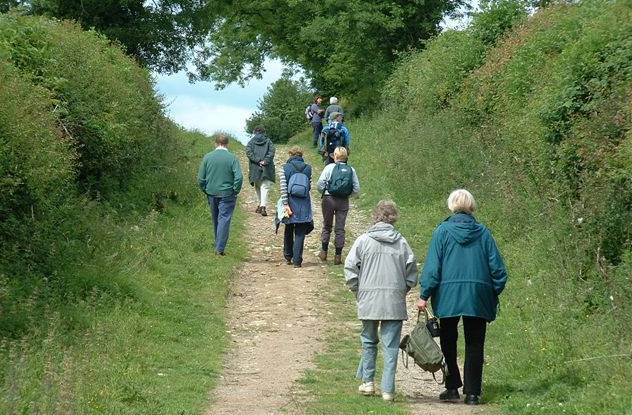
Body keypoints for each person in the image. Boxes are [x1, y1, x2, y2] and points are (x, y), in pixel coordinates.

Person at [417, 189, 508, 406]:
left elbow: (432, 269)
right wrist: (491, 291)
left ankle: (452, 388)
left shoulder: (442, 232)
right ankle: (473, 394)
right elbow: (498, 271)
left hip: (448, 294)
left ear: (451, 206)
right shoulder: (484, 233)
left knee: (448, 341)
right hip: (477, 295)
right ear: (472, 207)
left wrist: (424, 295)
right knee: (475, 343)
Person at [344, 200, 418, 402]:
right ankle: (388, 390)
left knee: (368, 341)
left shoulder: (363, 241)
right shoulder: (402, 243)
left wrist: (358, 291)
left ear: (375, 217)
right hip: (394, 301)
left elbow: (350, 269)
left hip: (368, 299)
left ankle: (368, 383)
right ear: (394, 218)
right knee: (391, 346)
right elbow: (412, 273)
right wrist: (403, 290)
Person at [197, 133, 243, 255]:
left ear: (215, 143)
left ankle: (218, 244)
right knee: (224, 219)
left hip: (211, 192)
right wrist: (235, 190)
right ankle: (219, 248)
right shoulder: (232, 158)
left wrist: (205, 189)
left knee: (215, 218)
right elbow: (238, 177)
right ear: (227, 144)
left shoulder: (207, 157)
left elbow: (201, 178)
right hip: (227, 193)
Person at [316, 147, 360, 265]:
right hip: (343, 201)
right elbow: (356, 188)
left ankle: (324, 252)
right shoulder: (351, 170)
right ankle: (338, 256)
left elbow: (320, 184)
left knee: (327, 225)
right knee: (340, 228)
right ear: (346, 157)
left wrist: (324, 192)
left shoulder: (329, 168)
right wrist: (348, 195)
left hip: (328, 199)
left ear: (335, 156)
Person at [279, 147, 314, 267]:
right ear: (301, 155)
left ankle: (288, 255)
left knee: (288, 227)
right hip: (304, 202)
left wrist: (285, 204)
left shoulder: (285, 168)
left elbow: (283, 188)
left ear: (290, 155)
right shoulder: (308, 168)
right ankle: (297, 261)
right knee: (300, 231)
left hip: (290, 201)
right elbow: (309, 186)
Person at [245, 125, 276, 216]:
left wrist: (257, 160)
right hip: (266, 167)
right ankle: (262, 206)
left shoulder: (251, 142)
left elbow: (248, 152)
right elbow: (272, 152)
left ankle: (260, 205)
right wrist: (265, 161)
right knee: (265, 187)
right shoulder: (268, 141)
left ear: (255, 132)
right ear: (264, 132)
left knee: (257, 186)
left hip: (255, 167)